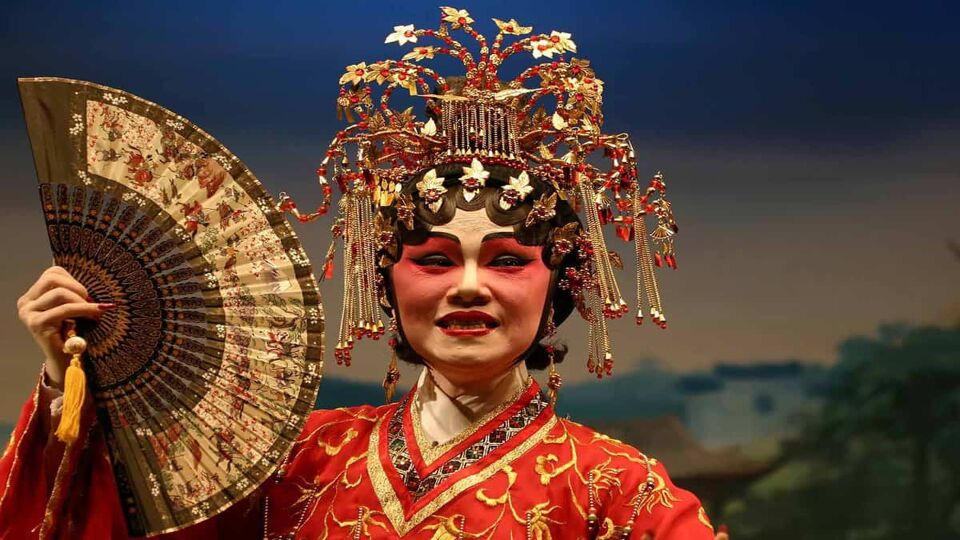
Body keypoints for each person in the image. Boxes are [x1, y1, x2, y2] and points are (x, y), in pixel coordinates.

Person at [1, 7, 721, 539]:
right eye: (434, 260)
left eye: (507, 260)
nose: (468, 286)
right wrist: (73, 379)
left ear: (557, 284)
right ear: (388, 283)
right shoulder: (292, 463)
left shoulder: (619, 493)